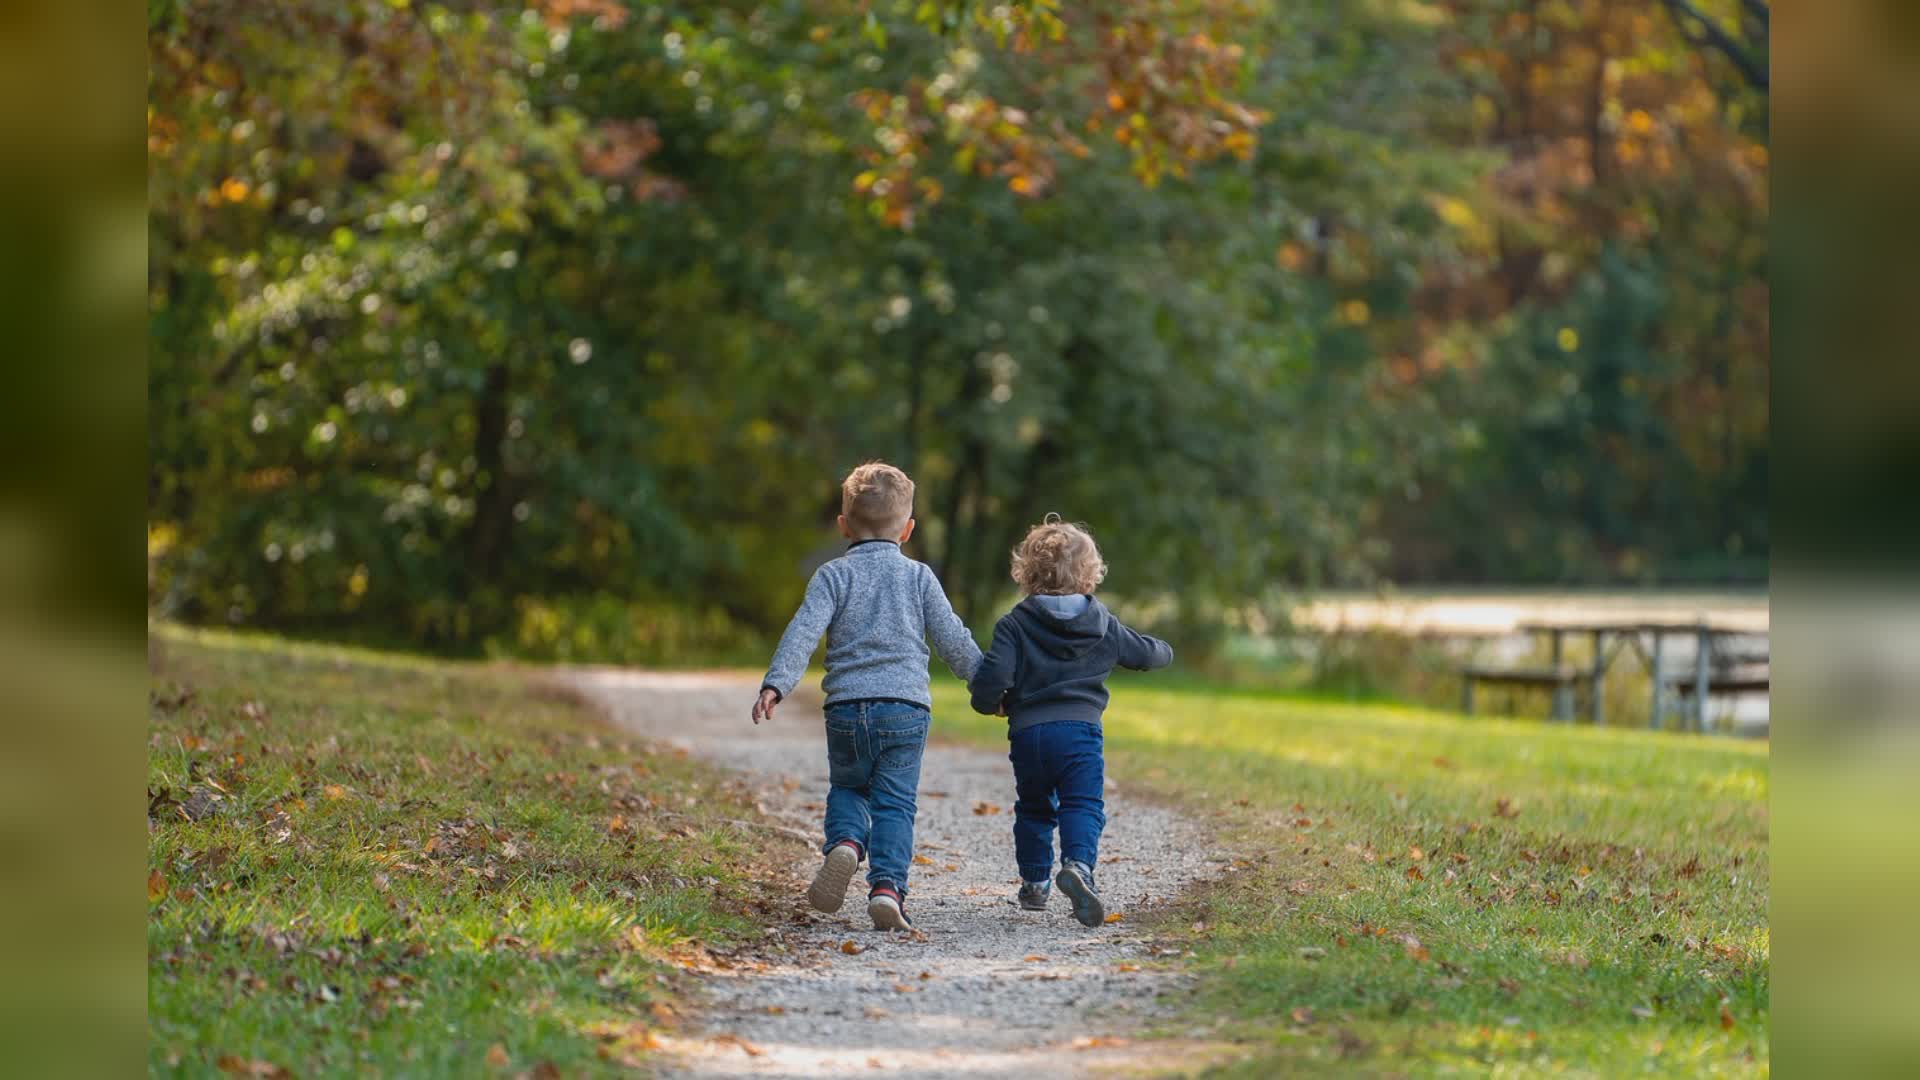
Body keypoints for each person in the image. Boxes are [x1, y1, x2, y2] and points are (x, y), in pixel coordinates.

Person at [752, 462, 981, 930]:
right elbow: (952, 638)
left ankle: (846, 844)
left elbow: (802, 633)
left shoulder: (832, 576)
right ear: (909, 529)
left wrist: (776, 683)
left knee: (849, 787)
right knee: (895, 803)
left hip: (846, 709)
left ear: (843, 525)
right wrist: (987, 684)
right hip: (905, 709)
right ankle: (887, 889)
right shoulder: (919, 577)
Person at [966, 515, 1173, 927]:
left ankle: (1035, 883)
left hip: (1028, 735)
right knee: (1082, 803)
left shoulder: (1014, 624)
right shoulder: (1103, 625)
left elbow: (992, 679)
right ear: (1090, 576)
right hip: (1080, 734)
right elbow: (1148, 654)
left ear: (1026, 574)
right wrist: (1165, 650)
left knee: (1034, 807)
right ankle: (1078, 866)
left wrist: (992, 704)